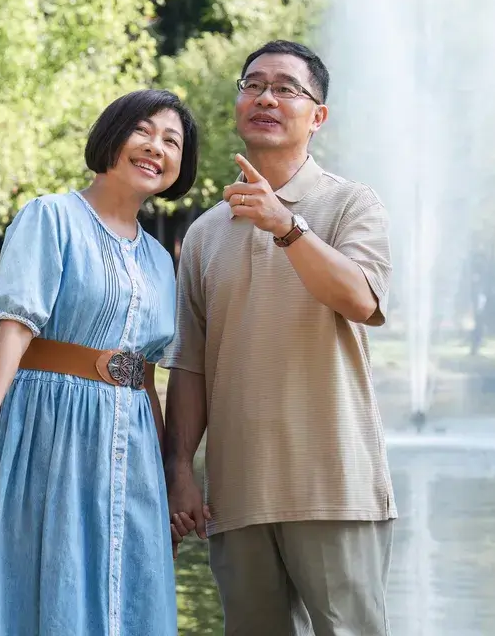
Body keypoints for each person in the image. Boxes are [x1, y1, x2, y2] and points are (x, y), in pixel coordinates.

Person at [0, 89, 199, 636]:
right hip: (47, 432)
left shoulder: (158, 258)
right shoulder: (51, 217)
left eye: (172, 142)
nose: (156, 148)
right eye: (144, 131)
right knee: (41, 582)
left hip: (131, 445)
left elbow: (147, 374)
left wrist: (167, 476)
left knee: (128, 589)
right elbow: (14, 332)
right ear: (111, 135)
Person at [162, 40, 395, 636]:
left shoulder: (350, 204)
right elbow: (190, 366)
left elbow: (362, 300)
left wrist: (286, 227)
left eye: (286, 88)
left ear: (317, 117)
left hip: (333, 488)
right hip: (236, 496)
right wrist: (180, 468)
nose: (265, 97)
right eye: (253, 85)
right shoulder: (207, 232)